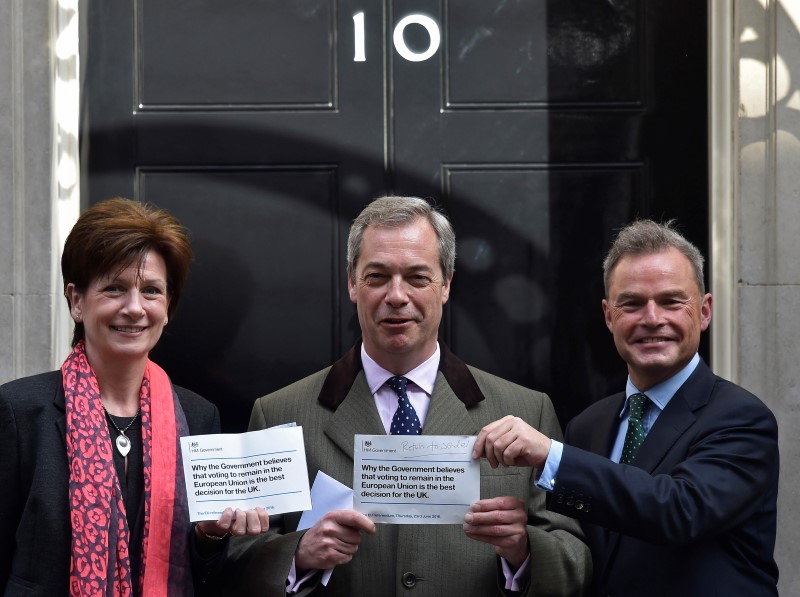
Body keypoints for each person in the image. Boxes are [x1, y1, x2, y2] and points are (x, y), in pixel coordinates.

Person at [215, 196, 590, 597]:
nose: (396, 295)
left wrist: (522, 549)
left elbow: (577, 562)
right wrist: (298, 554)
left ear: (446, 284)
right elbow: (237, 560)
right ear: (351, 284)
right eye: (377, 276)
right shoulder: (280, 414)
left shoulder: (525, 411)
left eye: (417, 277)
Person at [474, 219, 780, 596]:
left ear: (704, 311)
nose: (652, 319)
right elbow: (582, 555)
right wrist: (520, 549)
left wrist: (551, 455)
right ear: (608, 316)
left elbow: (678, 510)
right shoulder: (588, 426)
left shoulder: (742, 419)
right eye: (632, 303)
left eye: (671, 301)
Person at [0, 197, 268, 596]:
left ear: (168, 305)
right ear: (76, 301)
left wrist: (211, 535)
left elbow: (205, 574)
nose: (134, 307)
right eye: (114, 288)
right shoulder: (18, 412)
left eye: (151, 291)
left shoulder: (198, 417)